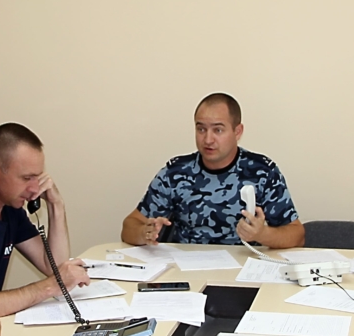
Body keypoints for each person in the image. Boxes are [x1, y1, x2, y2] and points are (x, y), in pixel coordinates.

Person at [121, 93, 304, 248]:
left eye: (218, 130)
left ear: (237, 132)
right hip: (187, 269)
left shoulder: (262, 172)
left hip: (244, 269)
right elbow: (130, 225)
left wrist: (262, 234)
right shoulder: (175, 173)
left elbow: (297, 235)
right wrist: (144, 232)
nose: (208, 139)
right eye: (201, 129)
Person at [0, 124, 90, 316]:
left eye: (37, 178)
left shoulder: (10, 209)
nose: (34, 189)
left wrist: (56, 205)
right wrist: (47, 287)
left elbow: (54, 266)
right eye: (27, 178)